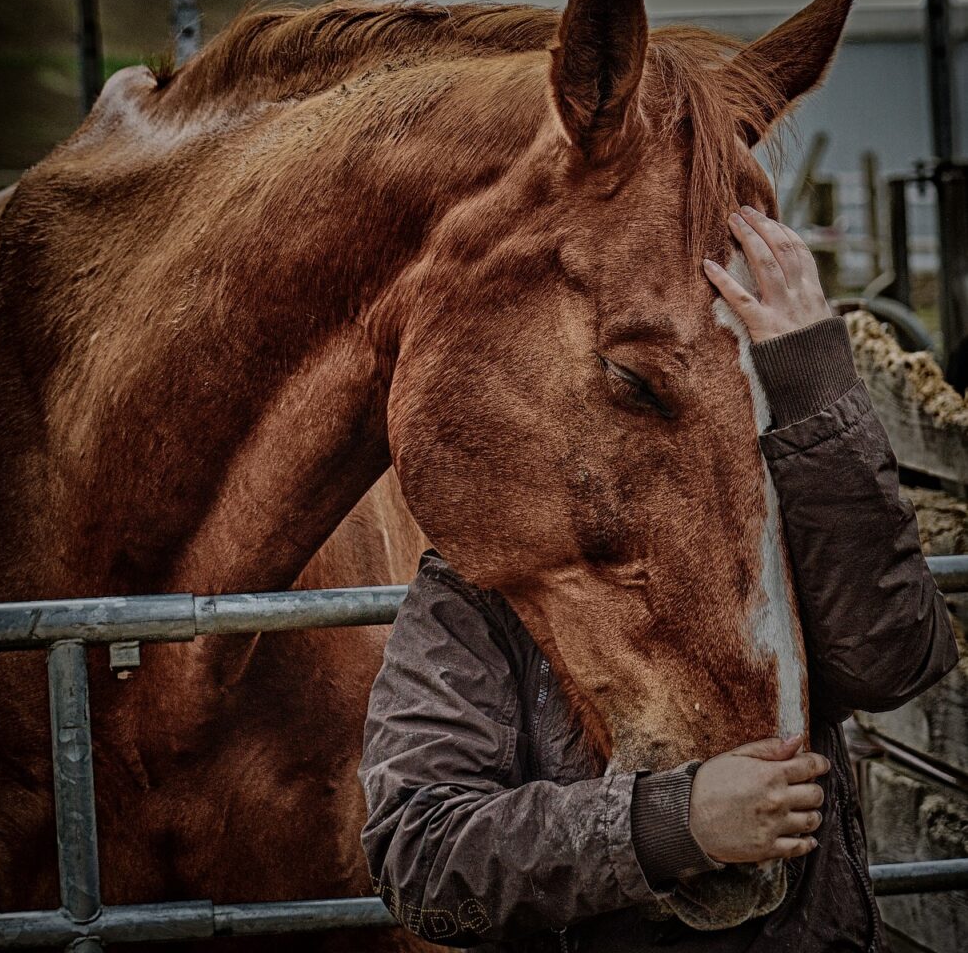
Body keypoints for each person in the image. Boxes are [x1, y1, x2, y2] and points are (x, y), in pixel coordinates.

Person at [357, 207, 959, 952]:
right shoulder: (475, 586)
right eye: (635, 378)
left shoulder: (760, 513)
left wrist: (815, 388)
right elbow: (422, 857)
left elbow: (890, 662)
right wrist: (678, 823)